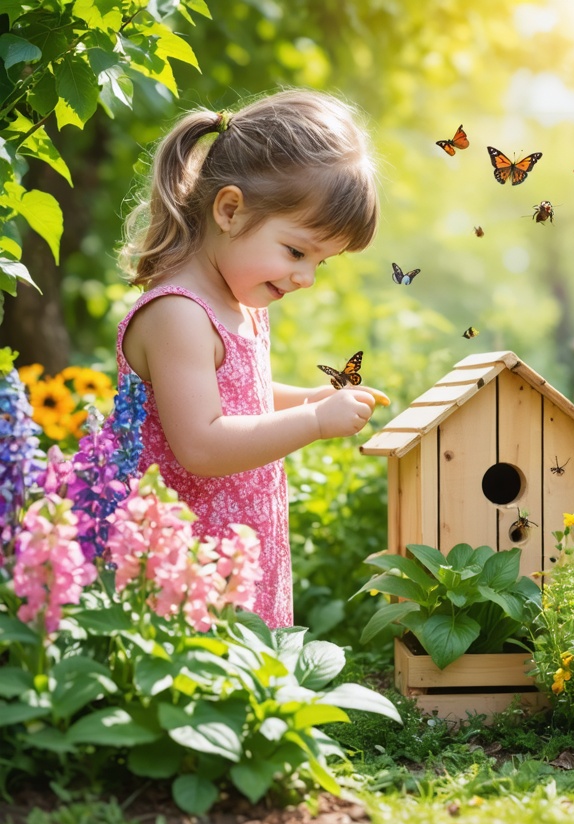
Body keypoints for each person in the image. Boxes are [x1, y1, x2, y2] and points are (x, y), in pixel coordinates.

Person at [115, 89, 387, 629]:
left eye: (321, 263)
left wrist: (313, 396)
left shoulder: (240, 301)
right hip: (185, 556)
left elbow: (246, 395)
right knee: (197, 683)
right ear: (231, 210)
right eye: (296, 251)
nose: (305, 277)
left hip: (240, 540)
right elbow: (201, 442)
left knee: (243, 677)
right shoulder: (180, 314)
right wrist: (311, 422)